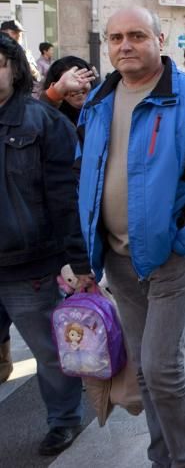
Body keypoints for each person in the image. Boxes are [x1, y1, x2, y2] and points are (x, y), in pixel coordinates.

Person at [76, 7, 185, 467]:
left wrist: (184, 238)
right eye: (115, 37)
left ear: (159, 40)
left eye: (136, 35)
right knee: (146, 370)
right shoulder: (99, 101)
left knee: (163, 368)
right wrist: (88, 248)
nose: (124, 45)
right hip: (118, 259)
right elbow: (83, 175)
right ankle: (160, 459)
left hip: (172, 258)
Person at [0, 34, 91, 456]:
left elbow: (64, 198)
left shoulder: (43, 122)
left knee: (50, 351)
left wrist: (77, 260)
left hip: (29, 265)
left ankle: (64, 420)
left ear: (15, 69)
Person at [41, 56, 98, 124]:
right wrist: (53, 94)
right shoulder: (52, 120)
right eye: (68, 84)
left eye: (81, 79)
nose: (76, 87)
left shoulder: (104, 110)